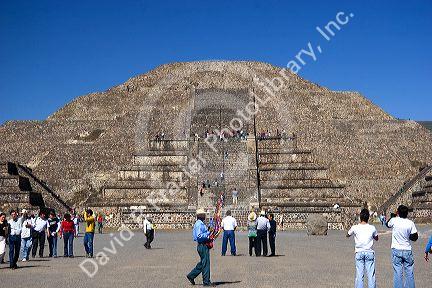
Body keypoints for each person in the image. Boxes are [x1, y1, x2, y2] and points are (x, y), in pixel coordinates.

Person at [386, 205, 418, 288]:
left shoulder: (394, 220)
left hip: (396, 249)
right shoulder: (410, 223)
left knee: (398, 273)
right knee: (409, 272)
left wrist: (393, 216)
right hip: (407, 249)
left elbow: (387, 224)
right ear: (407, 213)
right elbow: (415, 237)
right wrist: (407, 236)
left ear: (398, 212)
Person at [347, 208, 379, 288]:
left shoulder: (355, 227)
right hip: (369, 252)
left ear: (360, 217)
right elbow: (376, 238)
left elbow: (347, 234)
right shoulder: (372, 228)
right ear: (368, 217)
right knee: (371, 275)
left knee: (359, 275)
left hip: (359, 252)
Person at [186, 208, 214, 286]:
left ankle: (191, 275)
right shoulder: (199, 224)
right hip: (203, 245)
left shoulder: (200, 223)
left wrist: (208, 231)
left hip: (202, 245)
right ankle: (206, 281)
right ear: (201, 215)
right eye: (204, 214)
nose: (205, 216)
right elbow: (199, 236)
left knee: (202, 263)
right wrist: (208, 236)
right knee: (206, 264)